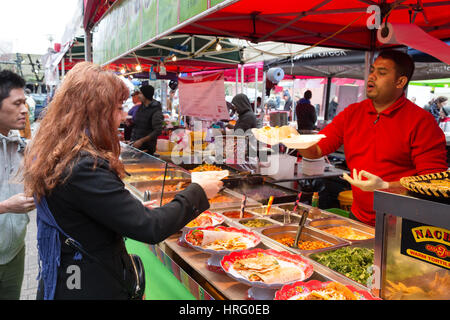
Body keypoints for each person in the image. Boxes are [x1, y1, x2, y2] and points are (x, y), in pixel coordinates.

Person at [22, 62, 223, 300]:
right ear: (96, 111)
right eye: (118, 108)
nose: (124, 115)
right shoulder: (83, 164)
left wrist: (122, 211)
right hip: (85, 284)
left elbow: (83, 214)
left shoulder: (61, 150)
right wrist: (199, 190)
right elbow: (150, 227)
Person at [296, 50, 447, 226]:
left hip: (402, 224)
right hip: (358, 217)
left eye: (381, 73)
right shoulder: (352, 113)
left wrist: (386, 187)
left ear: (400, 81)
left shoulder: (422, 122)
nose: (372, 77)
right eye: (372, 70)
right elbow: (315, 150)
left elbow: (434, 185)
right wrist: (291, 138)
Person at [0, 70, 35, 300]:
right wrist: (5, 206)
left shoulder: (18, 145)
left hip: (15, 251)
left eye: (25, 102)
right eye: (17, 103)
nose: (25, 109)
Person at [130, 84, 164, 155]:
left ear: (146, 95)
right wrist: (130, 123)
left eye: (141, 93)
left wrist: (141, 141)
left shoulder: (156, 110)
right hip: (136, 145)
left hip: (147, 148)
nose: (139, 95)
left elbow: (158, 130)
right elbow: (139, 124)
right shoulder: (141, 107)